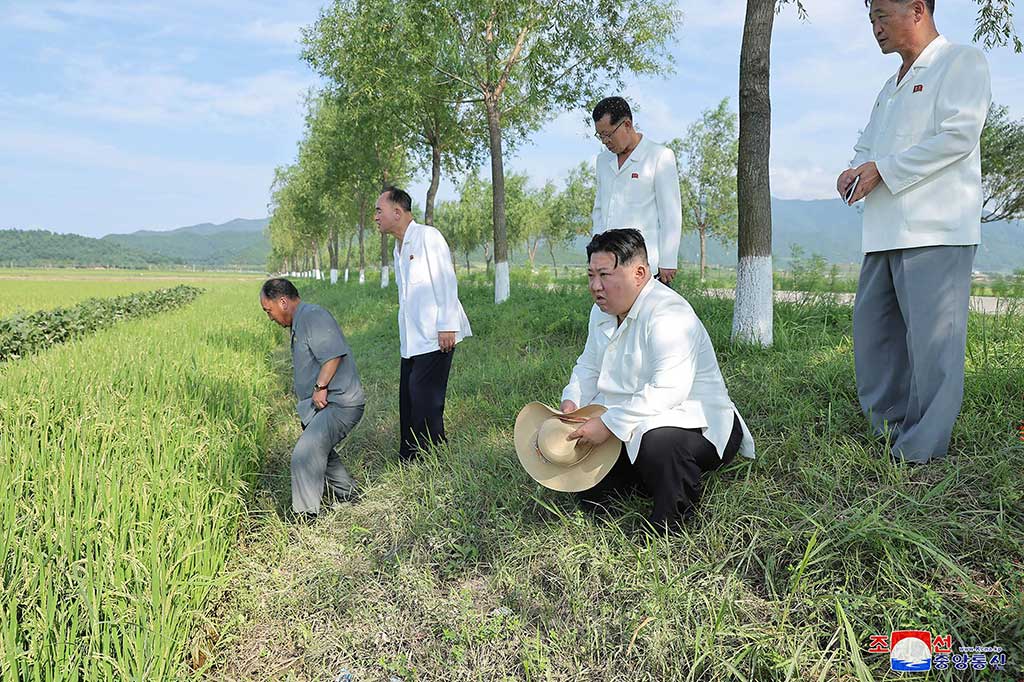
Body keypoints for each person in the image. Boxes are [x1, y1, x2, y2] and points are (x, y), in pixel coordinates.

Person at [837, 0, 991, 463]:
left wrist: (883, 170)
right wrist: (852, 170)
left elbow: (959, 135)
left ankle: (921, 449)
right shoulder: (890, 86)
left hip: (935, 229)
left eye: (882, 16)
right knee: (875, 338)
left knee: (932, 348)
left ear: (918, 10)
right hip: (882, 231)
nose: (876, 28)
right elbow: (867, 144)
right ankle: (889, 431)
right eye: (871, 20)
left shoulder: (961, 61)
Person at [555, 228, 754, 529]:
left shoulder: (669, 313)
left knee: (658, 442)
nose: (595, 286)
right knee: (591, 491)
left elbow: (669, 391)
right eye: (591, 275)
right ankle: (641, 477)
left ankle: (671, 523)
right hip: (631, 416)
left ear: (639, 273)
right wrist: (573, 402)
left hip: (694, 422)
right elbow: (589, 366)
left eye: (605, 275)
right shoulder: (602, 311)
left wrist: (607, 424)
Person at [373, 186, 472, 460]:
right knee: (409, 397)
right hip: (412, 339)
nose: (376, 217)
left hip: (436, 335)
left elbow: (446, 280)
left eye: (379, 211)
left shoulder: (428, 236)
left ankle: (432, 455)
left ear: (397, 212)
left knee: (425, 398)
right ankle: (409, 455)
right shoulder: (398, 247)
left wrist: (447, 325)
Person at [259, 278, 365, 520]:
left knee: (305, 454)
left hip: (340, 403)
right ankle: (348, 495)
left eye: (268, 310)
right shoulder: (300, 321)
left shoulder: (313, 316)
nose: (270, 317)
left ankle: (305, 518)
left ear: (282, 302)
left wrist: (320, 386)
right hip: (323, 406)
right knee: (320, 450)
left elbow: (333, 355)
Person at [591, 96, 683, 286]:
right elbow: (599, 210)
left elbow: (670, 214)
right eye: (600, 136)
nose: (605, 141)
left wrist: (668, 260)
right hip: (608, 264)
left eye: (608, 134)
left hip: (645, 264)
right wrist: (595, 252)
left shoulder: (659, 156)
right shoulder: (603, 160)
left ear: (627, 124)